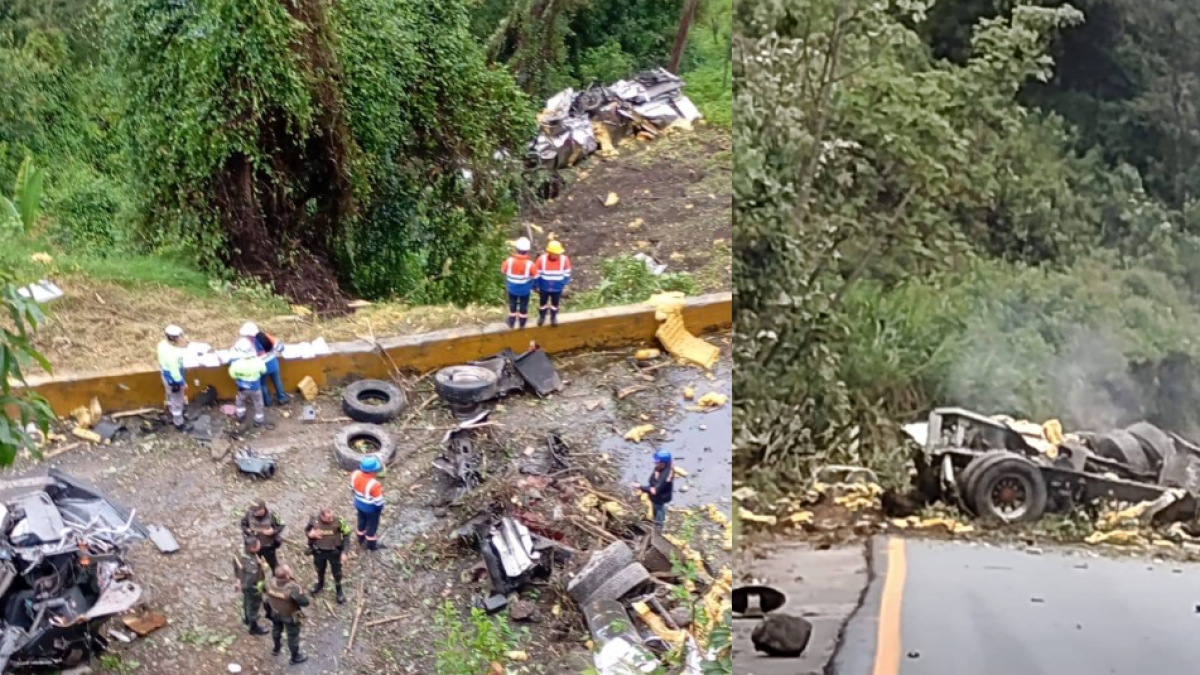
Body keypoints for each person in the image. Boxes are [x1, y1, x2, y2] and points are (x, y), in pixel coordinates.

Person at [263, 564, 309, 664]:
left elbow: (263, 591)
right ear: (287, 576)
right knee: (293, 635)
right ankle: (295, 657)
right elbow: (305, 603)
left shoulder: (269, 583)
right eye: (289, 571)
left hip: (275, 612)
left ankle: (276, 649)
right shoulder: (293, 589)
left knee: (276, 630)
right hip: (291, 615)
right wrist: (301, 593)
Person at [305, 508, 351, 604]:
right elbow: (307, 530)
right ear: (321, 516)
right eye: (328, 518)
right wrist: (310, 534)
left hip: (334, 552)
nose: (331, 519)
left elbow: (347, 535)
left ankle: (338, 588)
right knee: (319, 569)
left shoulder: (339, 521)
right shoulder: (314, 520)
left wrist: (345, 552)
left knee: (337, 572)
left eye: (332, 516)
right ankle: (320, 583)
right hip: (319, 551)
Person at [240, 322, 288, 407]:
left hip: (262, 367)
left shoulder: (248, 343)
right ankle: (282, 398)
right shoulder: (265, 336)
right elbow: (280, 348)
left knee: (262, 384)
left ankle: (267, 402)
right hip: (274, 363)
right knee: (277, 381)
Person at [233, 536, 270, 635]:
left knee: (246, 601)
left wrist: (238, 580)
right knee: (254, 605)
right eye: (258, 545)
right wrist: (261, 566)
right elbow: (251, 581)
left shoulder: (239, 550)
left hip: (243, 581)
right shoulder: (252, 567)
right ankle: (253, 627)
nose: (260, 546)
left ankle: (246, 618)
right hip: (253, 587)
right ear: (252, 548)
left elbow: (236, 566)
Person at [632, 449, 675, 532]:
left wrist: (640, 486)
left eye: (657, 462)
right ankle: (657, 522)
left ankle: (659, 528)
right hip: (657, 497)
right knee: (658, 509)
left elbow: (654, 491)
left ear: (663, 463)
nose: (655, 463)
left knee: (659, 512)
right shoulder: (663, 467)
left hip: (659, 498)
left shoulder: (665, 475)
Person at [157, 324, 190, 431]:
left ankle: (172, 411)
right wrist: (182, 383)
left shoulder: (162, 345)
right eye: (180, 336)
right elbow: (175, 372)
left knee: (170, 396)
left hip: (165, 375)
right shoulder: (172, 354)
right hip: (173, 380)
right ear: (174, 338)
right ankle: (178, 423)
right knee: (178, 400)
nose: (182, 338)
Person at [229, 338, 268, 426]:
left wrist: (240, 376)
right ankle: (259, 420)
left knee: (240, 401)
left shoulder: (235, 364)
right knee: (258, 403)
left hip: (242, 388)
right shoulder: (258, 362)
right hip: (255, 388)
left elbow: (233, 375)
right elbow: (264, 371)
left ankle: (240, 416)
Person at [500, 237, 536, 329]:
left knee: (513, 304)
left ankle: (511, 322)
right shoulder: (530, 264)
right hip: (525, 290)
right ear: (527, 250)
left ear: (516, 249)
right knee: (524, 305)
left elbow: (503, 271)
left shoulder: (509, 261)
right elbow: (535, 275)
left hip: (512, 289)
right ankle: (522, 323)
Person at [534, 239, 572, 327]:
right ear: (550, 253)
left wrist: (562, 284)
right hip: (544, 288)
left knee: (555, 304)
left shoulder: (564, 260)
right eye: (556, 253)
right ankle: (542, 317)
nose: (558, 255)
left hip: (557, 288)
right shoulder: (541, 260)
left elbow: (567, 273)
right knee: (542, 303)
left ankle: (553, 317)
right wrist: (536, 285)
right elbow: (537, 274)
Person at [350, 456, 385, 550]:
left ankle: (360, 539)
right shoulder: (374, 485)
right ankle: (371, 545)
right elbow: (378, 502)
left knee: (361, 521)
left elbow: (352, 488)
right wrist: (380, 509)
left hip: (358, 504)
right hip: (371, 509)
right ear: (372, 472)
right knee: (372, 526)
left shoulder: (355, 474)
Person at [240, 498, 285, 573]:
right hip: (254, 547)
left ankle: (277, 577)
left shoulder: (273, 515)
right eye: (253, 510)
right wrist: (247, 530)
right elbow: (243, 524)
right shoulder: (249, 514)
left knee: (273, 564)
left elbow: (282, 525)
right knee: (255, 565)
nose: (253, 512)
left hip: (268, 546)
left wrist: (273, 531)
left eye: (255, 511)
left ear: (262, 509)